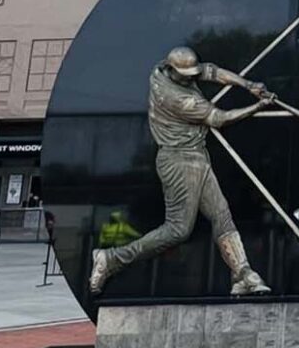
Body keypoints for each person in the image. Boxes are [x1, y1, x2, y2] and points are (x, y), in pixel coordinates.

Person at [87, 47, 278, 296]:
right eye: (186, 74)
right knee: (178, 230)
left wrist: (248, 84)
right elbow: (220, 118)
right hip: (179, 161)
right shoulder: (177, 98)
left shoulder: (159, 70)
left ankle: (242, 274)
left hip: (196, 156)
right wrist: (257, 107)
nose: (191, 78)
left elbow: (211, 72)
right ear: (173, 70)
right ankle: (111, 259)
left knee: (222, 216)